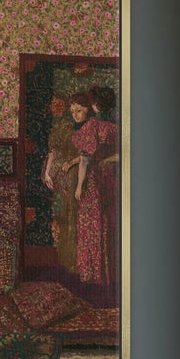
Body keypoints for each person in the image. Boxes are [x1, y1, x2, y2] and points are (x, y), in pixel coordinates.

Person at [72, 86, 120, 289]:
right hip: (111, 180)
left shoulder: (92, 127)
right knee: (108, 222)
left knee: (92, 224)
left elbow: (85, 160)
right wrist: (109, 160)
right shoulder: (115, 127)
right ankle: (109, 274)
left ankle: (93, 274)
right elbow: (123, 154)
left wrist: (79, 185)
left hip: (93, 182)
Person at [43, 98, 80, 272]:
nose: (74, 113)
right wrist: (47, 172)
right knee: (69, 213)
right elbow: (53, 151)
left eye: (77, 110)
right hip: (67, 175)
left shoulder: (86, 127)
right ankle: (70, 259)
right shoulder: (64, 128)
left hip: (80, 172)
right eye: (72, 110)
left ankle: (80, 261)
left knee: (78, 216)